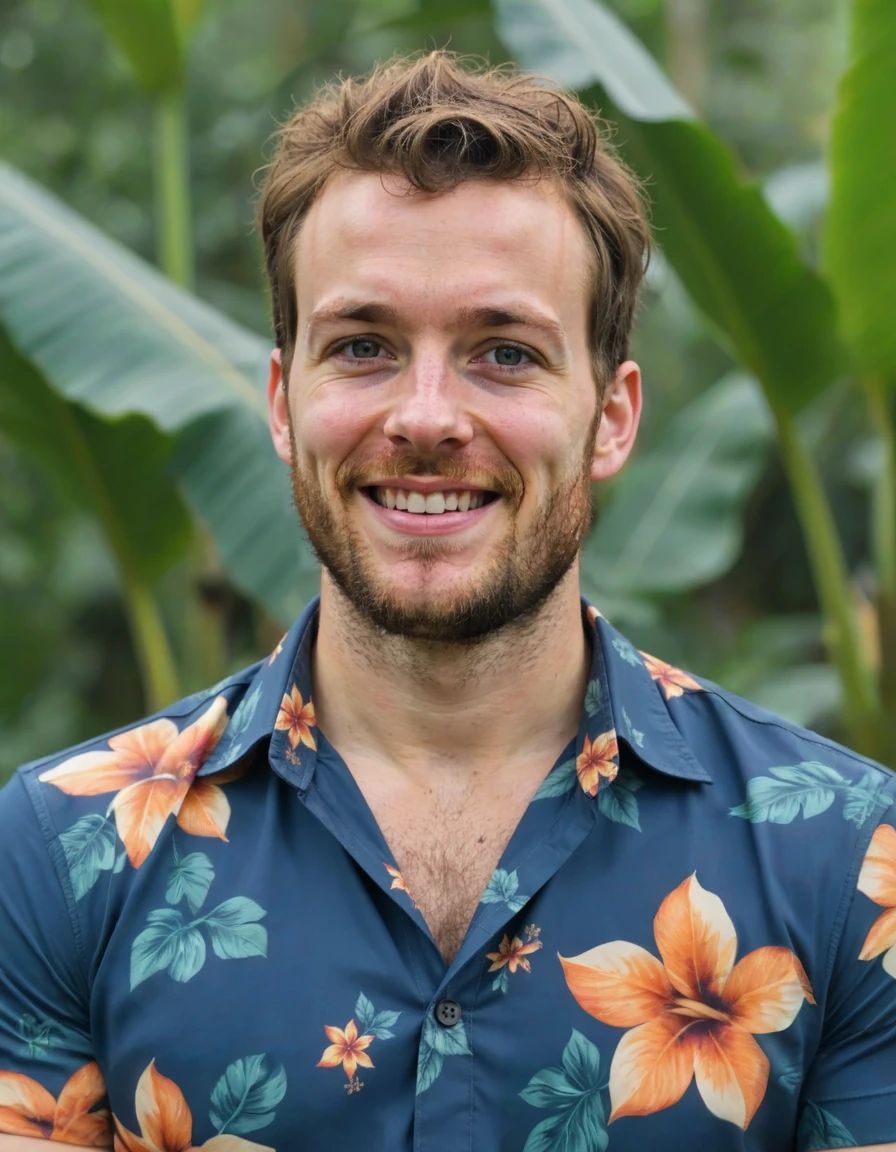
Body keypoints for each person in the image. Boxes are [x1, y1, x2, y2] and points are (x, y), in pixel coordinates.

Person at [0, 50, 894, 1152]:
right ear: (283, 401)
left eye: (503, 353)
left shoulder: (853, 860)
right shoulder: (61, 850)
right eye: (364, 346)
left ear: (611, 417)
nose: (426, 417)